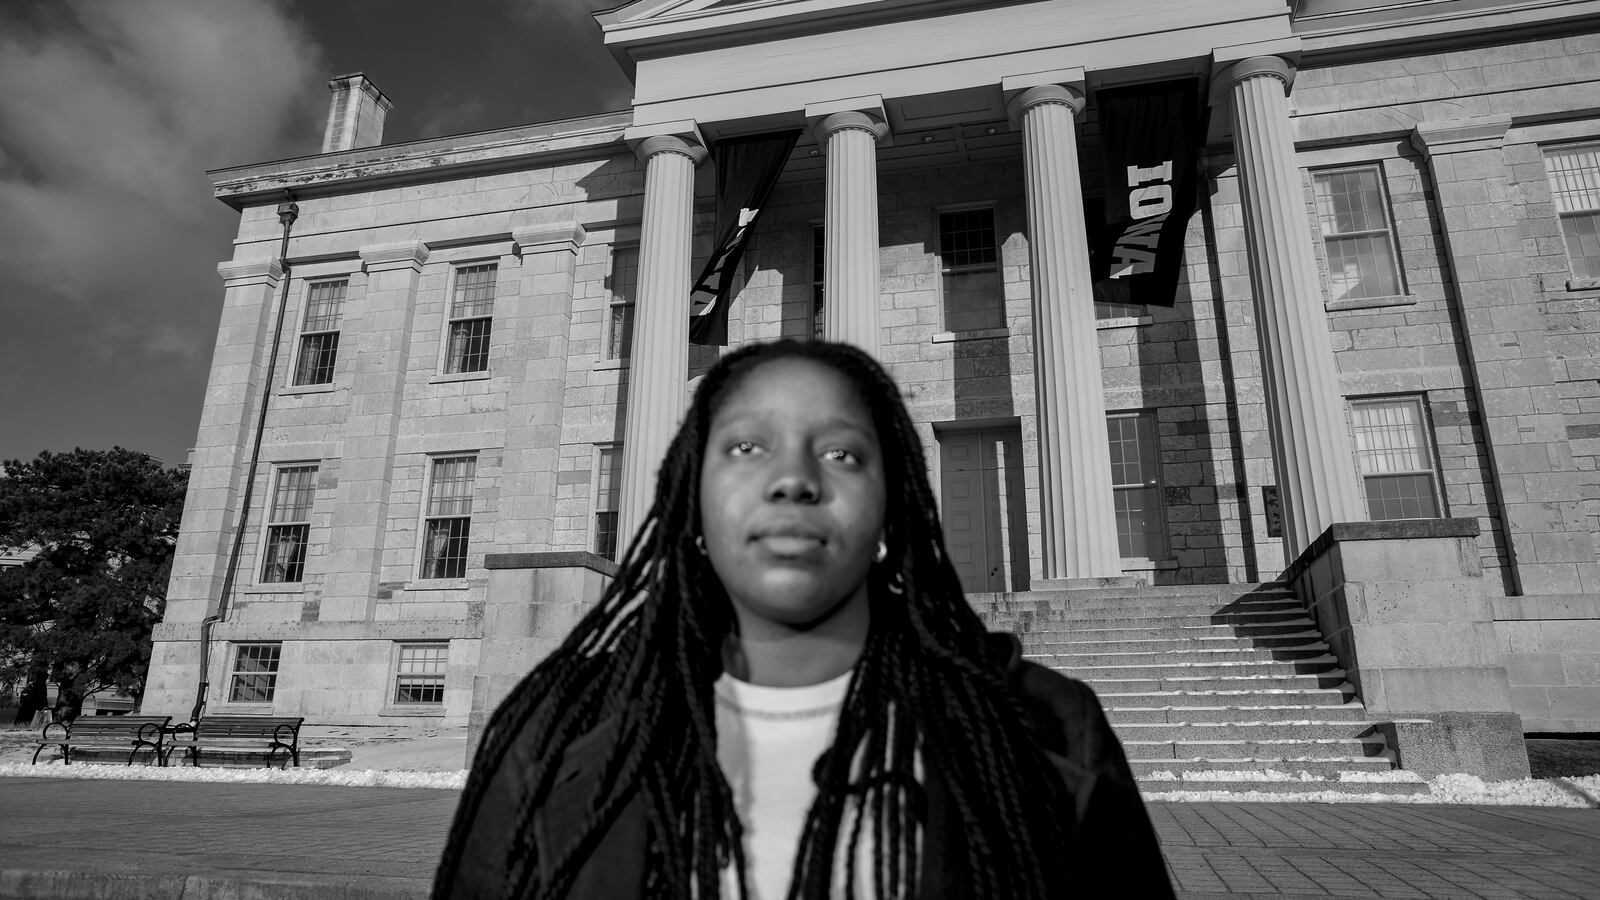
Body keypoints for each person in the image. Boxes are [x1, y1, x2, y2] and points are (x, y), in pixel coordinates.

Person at [433, 339, 1172, 899]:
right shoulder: (557, 735)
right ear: (691, 507)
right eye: (748, 447)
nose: (794, 479)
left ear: (893, 511)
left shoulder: (1044, 730)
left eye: (843, 453)